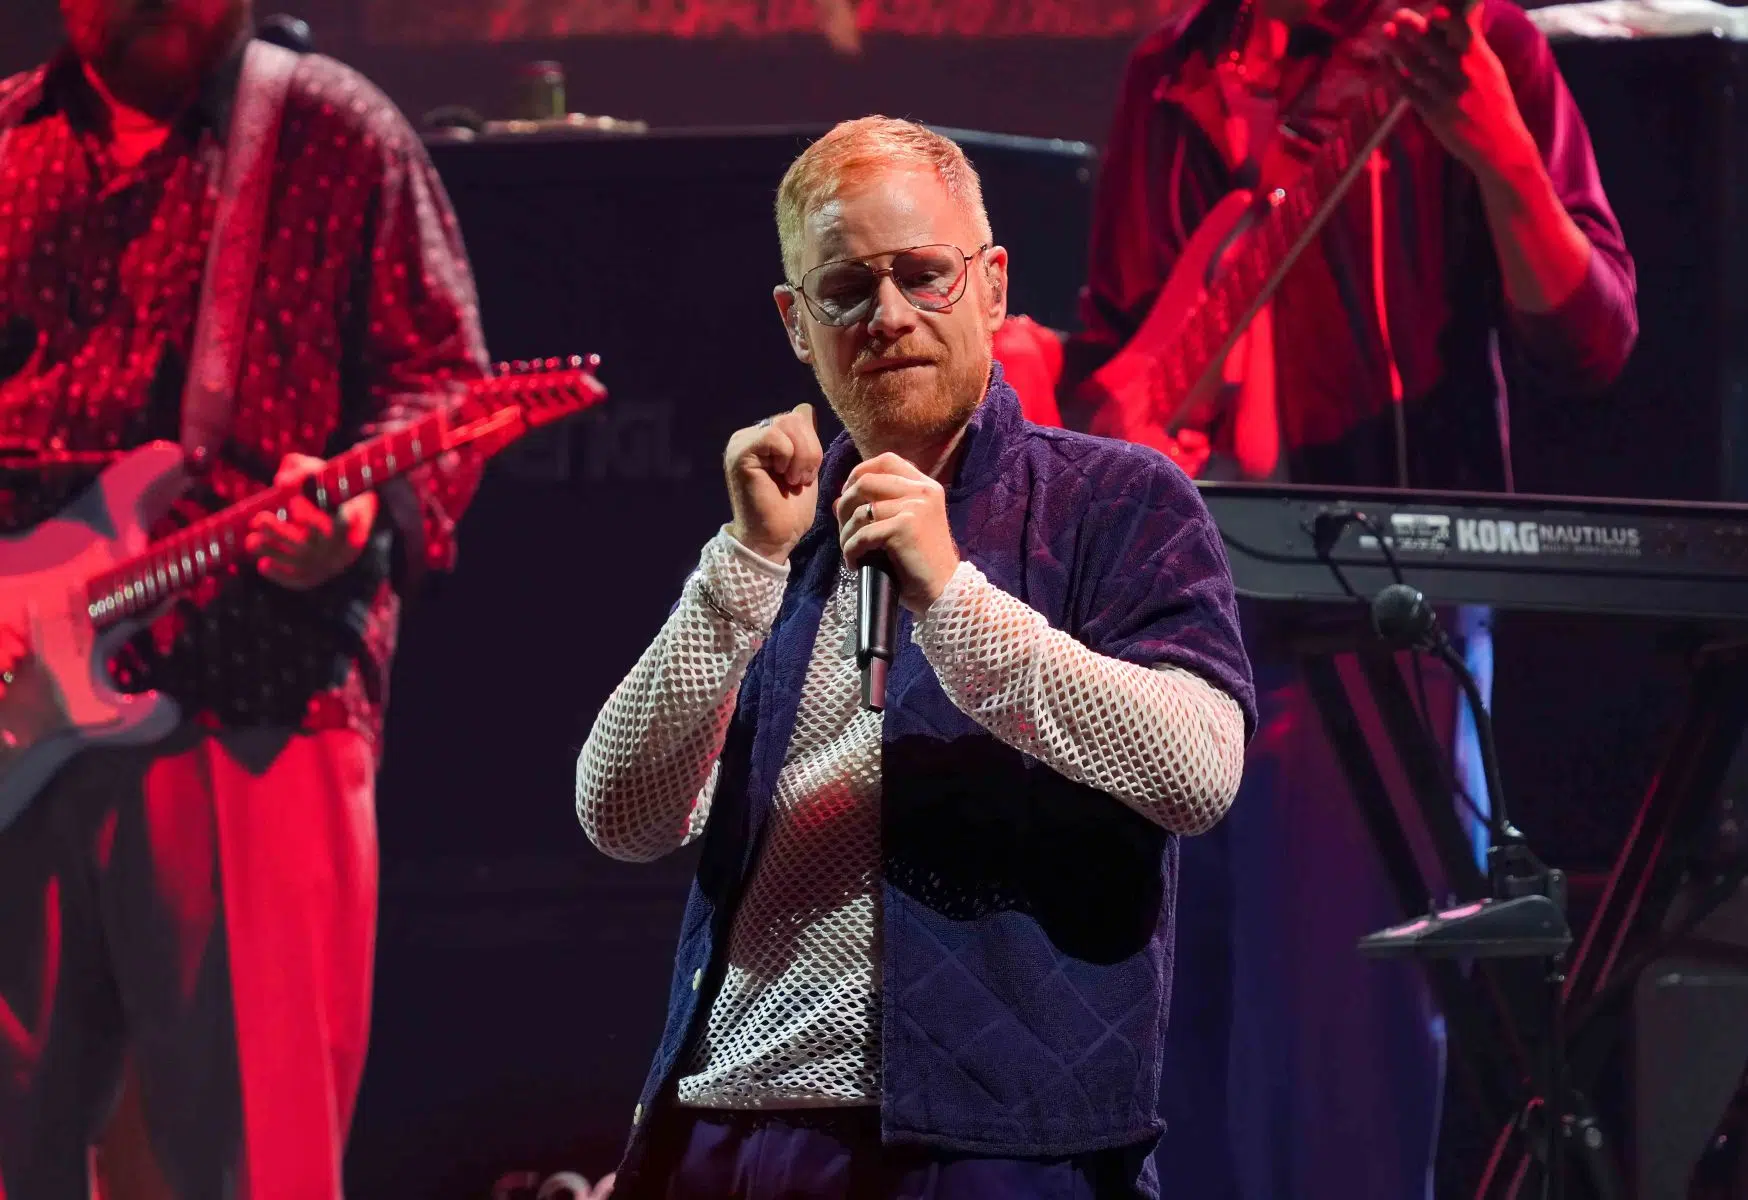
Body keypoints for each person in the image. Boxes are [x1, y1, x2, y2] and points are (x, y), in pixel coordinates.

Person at [992, 0, 1637, 1195]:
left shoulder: (1473, 41)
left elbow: (1592, 338)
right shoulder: (1175, 69)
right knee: (1168, 1019)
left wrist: (1497, 150)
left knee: (1344, 1048)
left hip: (1375, 608)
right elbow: (1120, 346)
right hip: (1178, 605)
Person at [575, 115, 1257, 1199]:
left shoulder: (1113, 502)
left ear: (990, 286)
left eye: (923, 276)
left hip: (985, 1140)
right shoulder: (780, 531)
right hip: (722, 1128)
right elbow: (624, 815)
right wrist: (744, 558)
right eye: (847, 289)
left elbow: (1198, 766)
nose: (887, 315)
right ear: (799, 325)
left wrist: (951, 594)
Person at [0, 0, 487, 1194]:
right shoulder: (9, 142)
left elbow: (440, 383)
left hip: (255, 695)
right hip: (14, 710)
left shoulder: (330, 131)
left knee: (256, 1160)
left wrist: (362, 514)